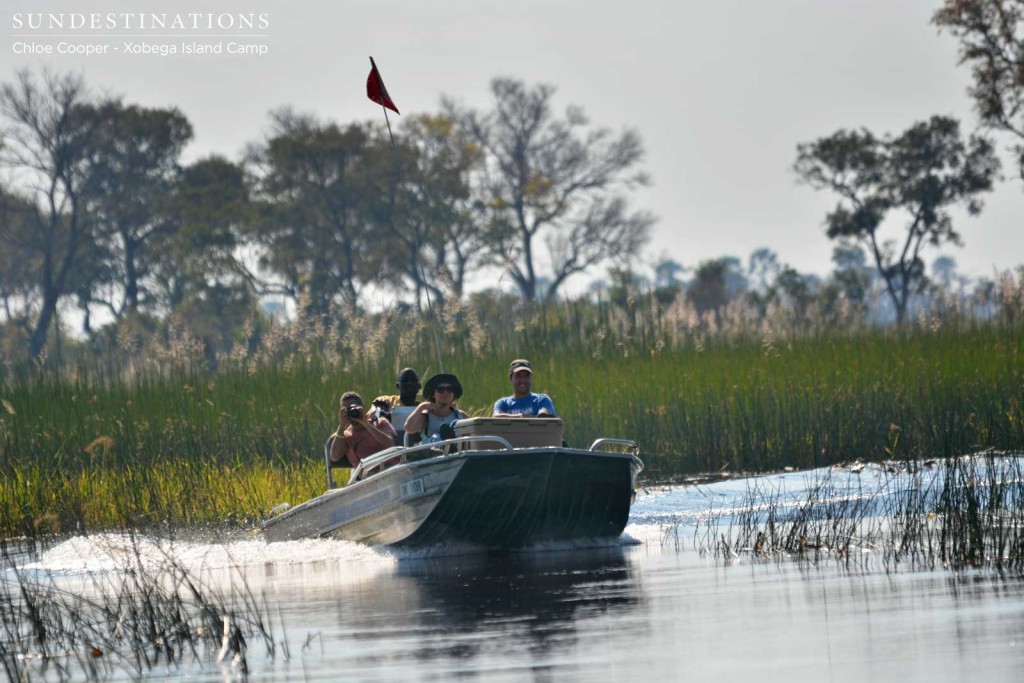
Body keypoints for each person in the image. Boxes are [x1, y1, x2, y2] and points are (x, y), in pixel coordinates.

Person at [329, 391, 398, 471]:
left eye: (353, 408)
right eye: (346, 410)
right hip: (370, 476)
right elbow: (335, 457)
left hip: (394, 468)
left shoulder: (381, 422)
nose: (351, 412)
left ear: (362, 407)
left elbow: (390, 445)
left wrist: (366, 423)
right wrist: (341, 427)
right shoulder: (345, 435)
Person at [404, 373, 468, 444]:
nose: (445, 392)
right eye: (441, 390)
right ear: (433, 394)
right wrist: (422, 406)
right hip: (432, 453)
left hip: (456, 453)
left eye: (449, 389)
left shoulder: (461, 416)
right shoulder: (425, 416)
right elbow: (409, 428)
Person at [373, 368, 421, 445]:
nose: (409, 383)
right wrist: (380, 411)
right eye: (405, 380)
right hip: (390, 448)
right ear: (398, 386)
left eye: (413, 380)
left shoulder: (423, 408)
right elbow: (369, 420)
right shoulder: (385, 401)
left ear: (419, 386)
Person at [492, 359, 557, 417]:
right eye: (518, 376)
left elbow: (544, 419)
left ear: (531, 378)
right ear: (510, 378)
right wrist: (521, 416)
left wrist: (518, 418)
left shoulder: (541, 400)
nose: (523, 380)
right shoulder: (503, 403)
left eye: (526, 376)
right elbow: (496, 417)